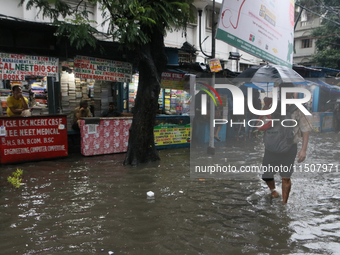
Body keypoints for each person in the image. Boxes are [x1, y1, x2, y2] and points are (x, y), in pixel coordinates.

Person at [261, 83, 311, 204]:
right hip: (271, 146)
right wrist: (265, 108)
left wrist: (303, 150)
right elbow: (261, 124)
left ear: (291, 93)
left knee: (286, 176)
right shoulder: (272, 106)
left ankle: (284, 203)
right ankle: (273, 190)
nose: (283, 94)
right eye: (281, 92)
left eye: (286, 92)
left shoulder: (297, 108)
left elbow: (306, 129)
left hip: (289, 147)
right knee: (267, 175)